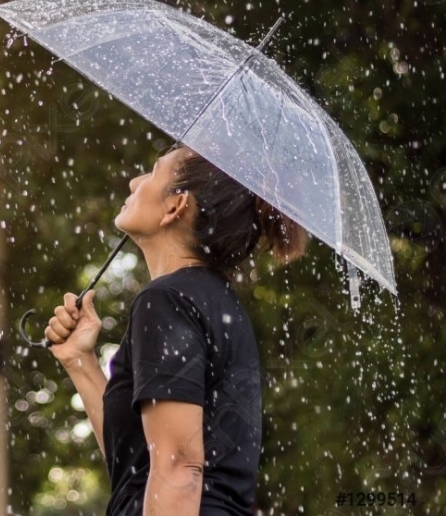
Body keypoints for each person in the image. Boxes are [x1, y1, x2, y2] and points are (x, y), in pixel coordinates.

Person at [46, 144, 306, 516]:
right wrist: (79, 361)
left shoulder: (167, 301)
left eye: (152, 173)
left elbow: (179, 465)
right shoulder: (215, 303)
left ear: (175, 206)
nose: (135, 182)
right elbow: (137, 465)